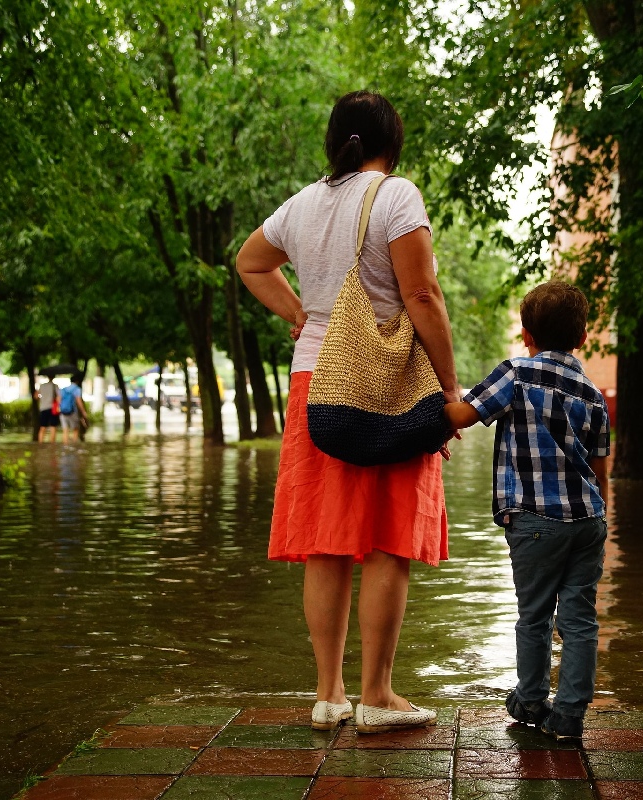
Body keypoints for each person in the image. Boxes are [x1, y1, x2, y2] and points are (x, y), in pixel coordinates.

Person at [236, 90, 458, 733]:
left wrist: (300, 314)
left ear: (337, 141)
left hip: (315, 380)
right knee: (388, 540)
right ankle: (377, 695)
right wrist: (447, 389)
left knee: (326, 544)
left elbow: (250, 262)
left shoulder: (302, 204)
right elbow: (420, 293)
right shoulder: (395, 195)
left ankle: (328, 695)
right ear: (391, 141)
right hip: (386, 384)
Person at [443, 281, 610, 741]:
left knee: (534, 614)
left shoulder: (517, 372)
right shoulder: (593, 394)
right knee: (579, 619)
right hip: (588, 521)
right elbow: (599, 470)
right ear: (581, 337)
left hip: (535, 519)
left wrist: (431, 399)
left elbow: (462, 415)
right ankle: (570, 715)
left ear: (526, 334)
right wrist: (600, 521)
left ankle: (532, 699)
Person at [59, 374, 88, 444]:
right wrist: (83, 411)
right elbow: (78, 401)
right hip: (72, 412)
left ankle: (65, 446)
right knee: (75, 429)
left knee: (65, 430)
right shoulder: (77, 389)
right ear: (77, 381)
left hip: (63, 412)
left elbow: (59, 400)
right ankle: (74, 445)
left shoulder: (63, 389)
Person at [36, 378, 60, 443]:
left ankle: (40, 444)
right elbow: (59, 397)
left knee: (42, 427)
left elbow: (36, 396)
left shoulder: (42, 386)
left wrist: (42, 398)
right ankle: (52, 444)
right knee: (53, 427)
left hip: (43, 408)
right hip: (52, 409)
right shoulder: (55, 386)